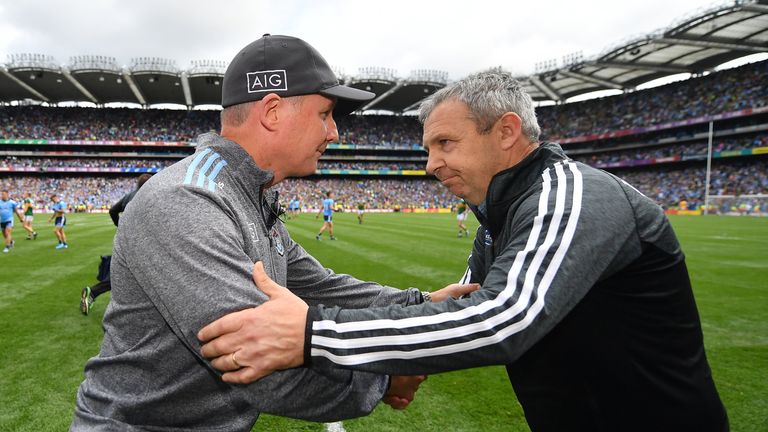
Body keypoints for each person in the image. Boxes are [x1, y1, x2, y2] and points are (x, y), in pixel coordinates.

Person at [198, 70, 729, 432]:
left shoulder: (572, 195)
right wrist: (396, 366)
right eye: (429, 148)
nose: (430, 165)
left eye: (445, 144)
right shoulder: (497, 220)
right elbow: (462, 312)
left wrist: (314, 334)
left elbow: (503, 319)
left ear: (506, 131)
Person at [71, 34, 476, 431]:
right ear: (273, 111)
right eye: (325, 114)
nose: (334, 133)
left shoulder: (249, 195)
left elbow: (319, 287)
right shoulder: (187, 199)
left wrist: (419, 303)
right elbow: (249, 356)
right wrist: (386, 379)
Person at [80, 174, 153, 316]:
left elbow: (113, 210)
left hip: (126, 239)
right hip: (140, 241)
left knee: (129, 273)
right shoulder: (149, 196)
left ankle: (95, 292)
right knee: (136, 273)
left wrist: (119, 226)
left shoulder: (129, 196)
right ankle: (94, 292)